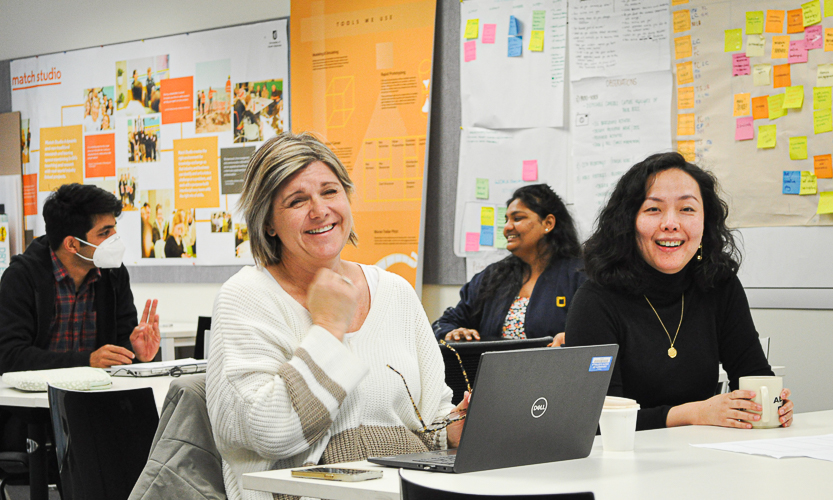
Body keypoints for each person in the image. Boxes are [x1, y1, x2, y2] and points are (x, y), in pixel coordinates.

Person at [206, 132, 466, 500]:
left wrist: (454, 427)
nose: (319, 210)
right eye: (298, 201)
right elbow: (270, 431)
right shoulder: (246, 296)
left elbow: (428, 419)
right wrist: (328, 328)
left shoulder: (395, 291)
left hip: (400, 491)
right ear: (268, 223)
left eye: (330, 192)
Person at [565, 152, 794, 431]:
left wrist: (772, 407)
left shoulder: (719, 286)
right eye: (653, 209)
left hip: (704, 457)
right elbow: (597, 420)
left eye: (687, 209)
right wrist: (692, 413)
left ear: (704, 222)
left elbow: (754, 375)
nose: (671, 223)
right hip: (624, 463)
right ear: (628, 222)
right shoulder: (595, 301)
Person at [0, 183, 160, 374]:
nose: (115, 239)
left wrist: (137, 353)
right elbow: (10, 356)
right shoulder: (21, 278)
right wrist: (87, 361)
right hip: (32, 399)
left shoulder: (114, 274)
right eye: (104, 233)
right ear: (72, 244)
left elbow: (120, 345)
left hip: (97, 396)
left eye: (114, 229)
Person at [433, 184, 585, 345]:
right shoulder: (492, 277)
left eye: (517, 218)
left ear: (548, 223)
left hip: (555, 368)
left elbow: (598, 329)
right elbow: (445, 323)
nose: (507, 228)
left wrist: (574, 337)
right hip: (493, 369)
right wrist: (454, 332)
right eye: (506, 220)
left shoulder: (579, 275)